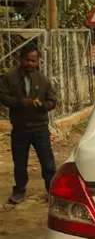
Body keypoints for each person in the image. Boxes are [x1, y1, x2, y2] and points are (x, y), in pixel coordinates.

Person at [0, 42, 57, 204]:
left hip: (40, 129)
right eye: (27, 60)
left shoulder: (43, 80)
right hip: (20, 129)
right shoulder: (10, 77)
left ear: (38, 62)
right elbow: (3, 97)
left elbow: (53, 101)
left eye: (34, 61)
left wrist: (43, 105)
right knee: (19, 163)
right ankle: (19, 191)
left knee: (48, 163)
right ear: (21, 59)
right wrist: (20, 102)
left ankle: (52, 191)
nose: (30, 64)